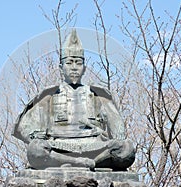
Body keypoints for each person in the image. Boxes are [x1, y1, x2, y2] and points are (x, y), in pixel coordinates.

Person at [13, 29, 135, 171]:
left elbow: (119, 132)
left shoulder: (98, 95)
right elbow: (26, 130)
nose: (74, 68)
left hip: (95, 146)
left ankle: (81, 162)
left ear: (84, 68)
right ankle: (80, 163)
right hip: (58, 146)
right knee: (35, 150)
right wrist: (39, 138)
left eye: (78, 63)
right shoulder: (49, 96)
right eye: (69, 63)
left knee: (126, 148)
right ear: (61, 68)